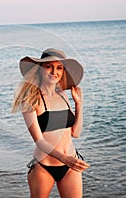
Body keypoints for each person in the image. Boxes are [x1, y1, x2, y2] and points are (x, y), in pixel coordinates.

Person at [12, 48, 90, 198]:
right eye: (49, 66)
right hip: (44, 167)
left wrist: (79, 104)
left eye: (59, 67)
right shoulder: (30, 100)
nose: (54, 71)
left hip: (70, 164)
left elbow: (76, 133)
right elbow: (39, 140)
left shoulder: (63, 95)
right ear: (40, 69)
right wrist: (64, 158)